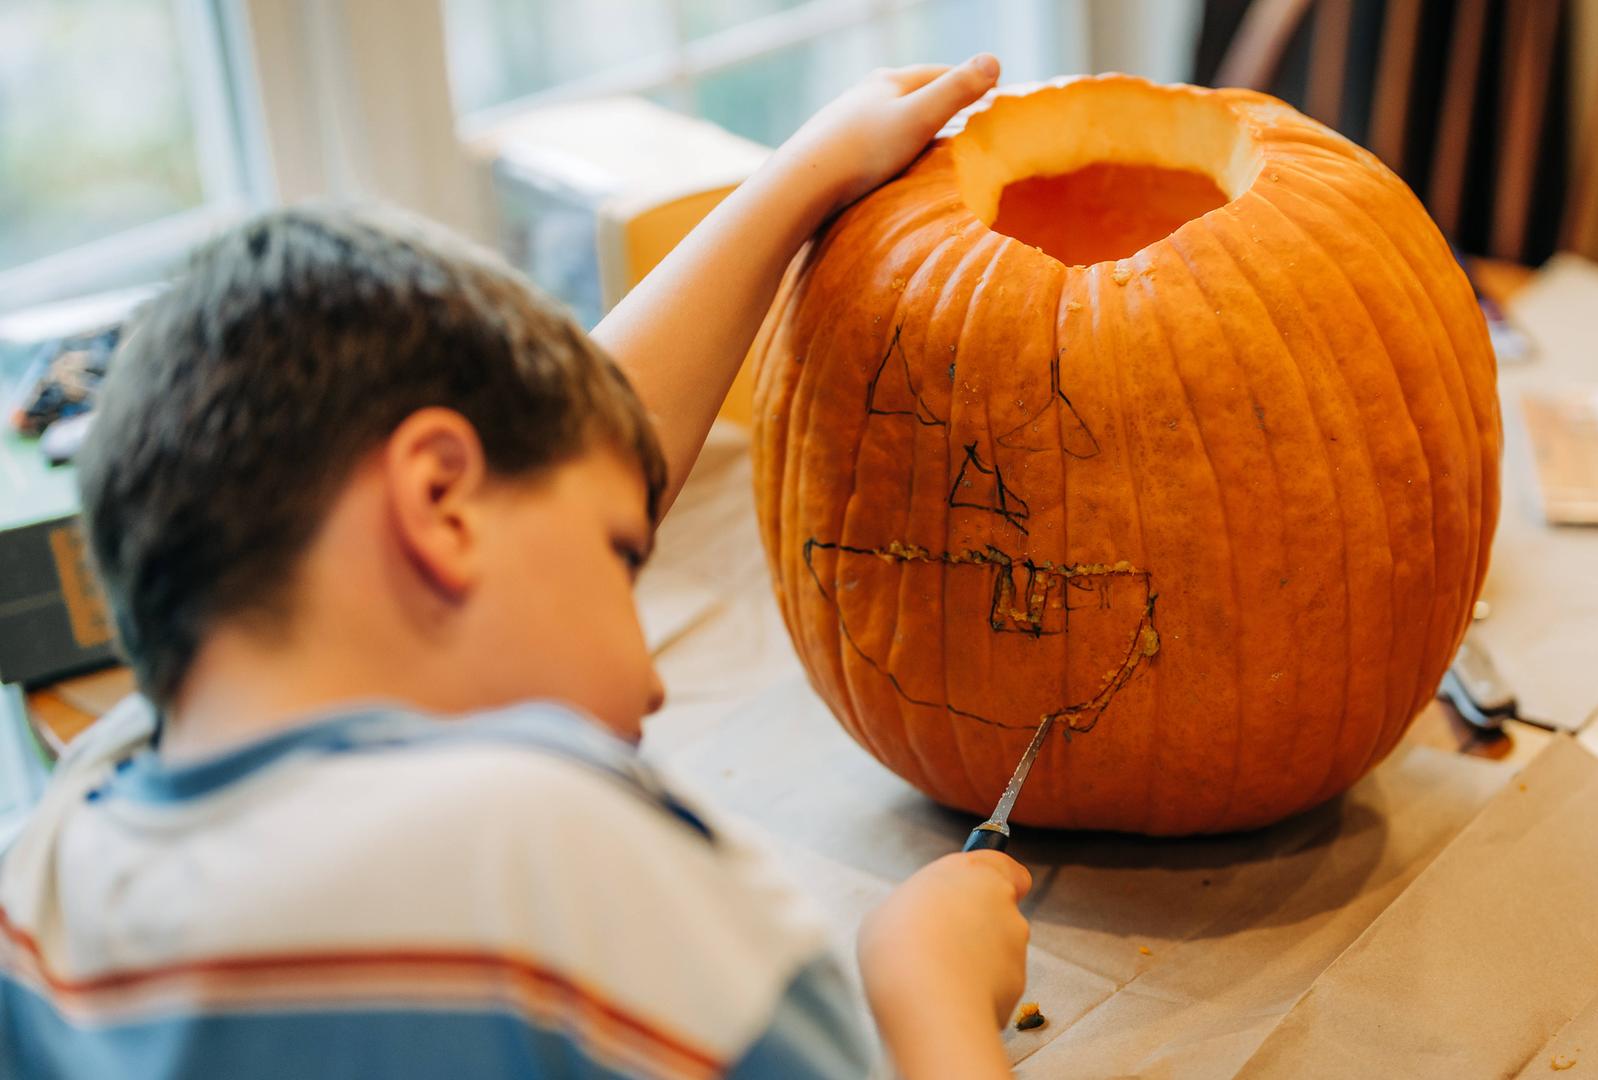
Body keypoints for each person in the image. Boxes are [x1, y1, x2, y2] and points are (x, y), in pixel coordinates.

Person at [0, 55, 1033, 1080]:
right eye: (622, 556)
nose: (650, 682)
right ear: (439, 505)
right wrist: (928, 994)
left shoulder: (53, 871)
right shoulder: (545, 861)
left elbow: (572, 455)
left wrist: (805, 175)